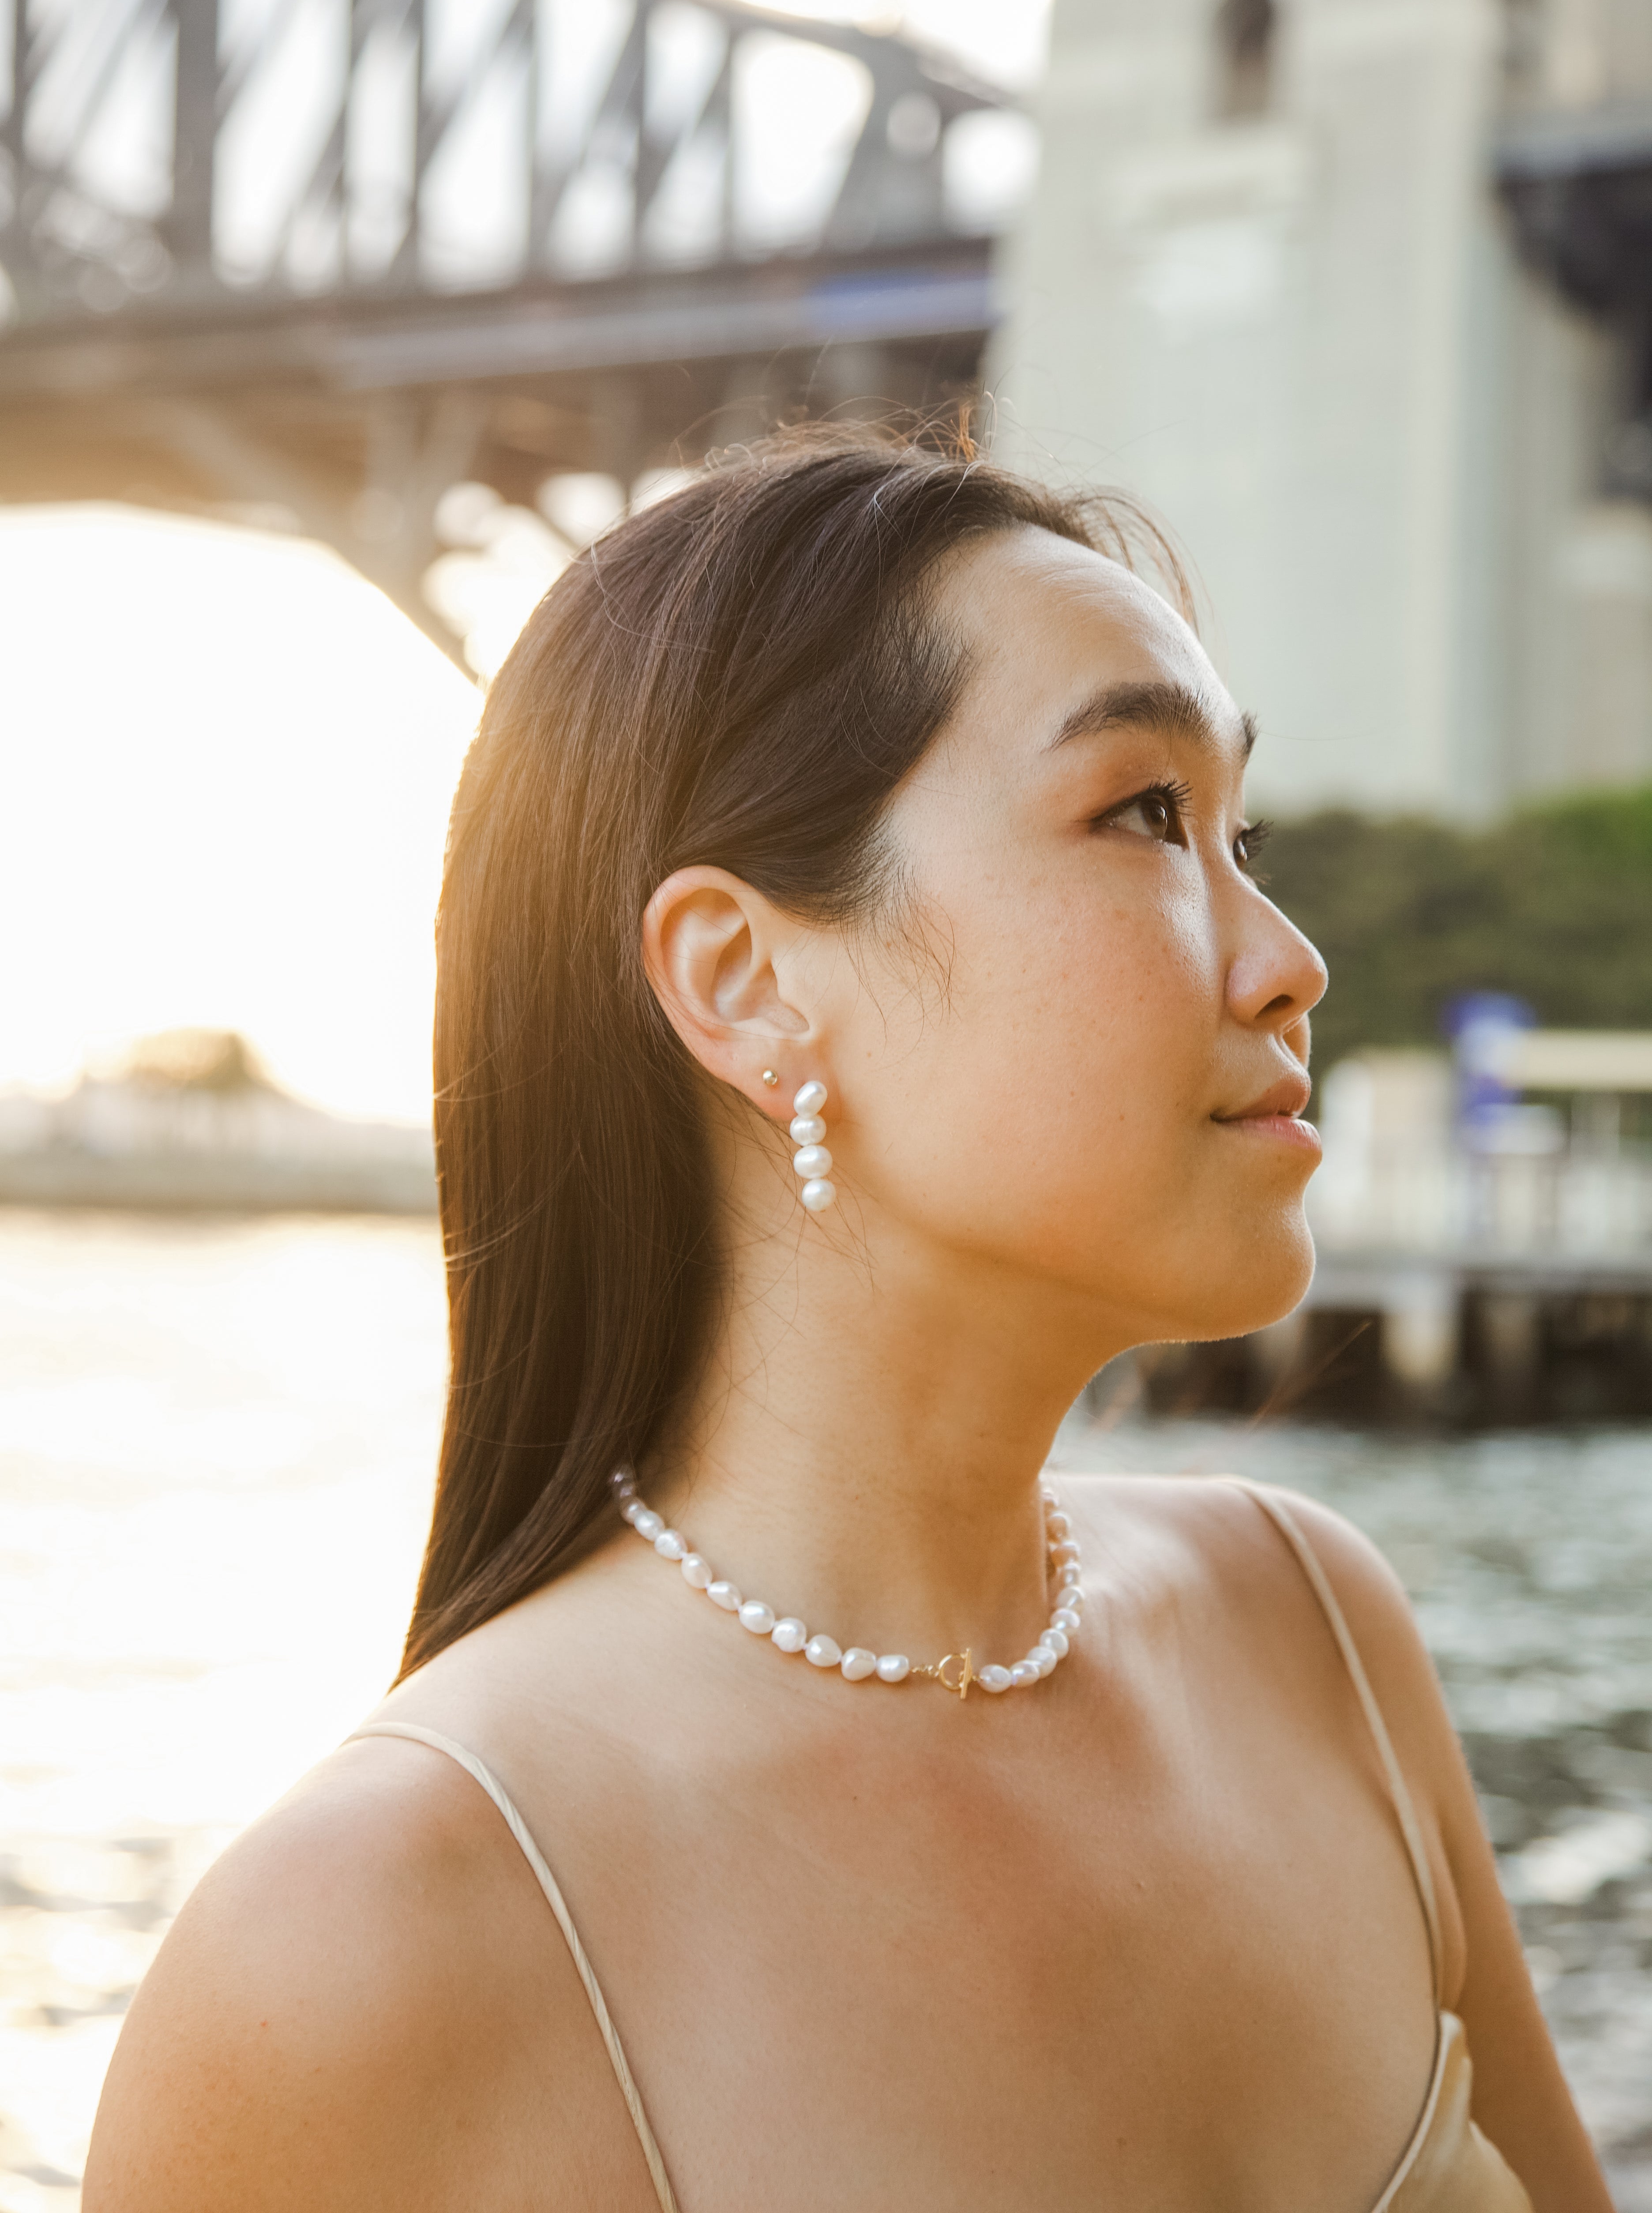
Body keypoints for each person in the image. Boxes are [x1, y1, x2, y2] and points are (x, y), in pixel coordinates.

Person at [86, 430, 1609, 2211]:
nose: (1286, 955)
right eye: (1140, 814)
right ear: (745, 982)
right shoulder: (368, 1943)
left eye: (1237, 830)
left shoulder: (1317, 1636)